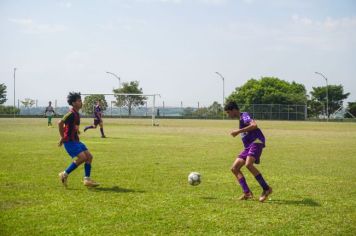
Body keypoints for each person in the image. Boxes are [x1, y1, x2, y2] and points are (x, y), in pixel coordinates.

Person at [224, 101, 272, 202]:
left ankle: (266, 189)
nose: (228, 115)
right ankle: (247, 193)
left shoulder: (244, 115)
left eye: (228, 112)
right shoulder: (241, 120)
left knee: (248, 164)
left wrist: (238, 131)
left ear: (234, 110)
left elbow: (254, 125)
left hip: (256, 141)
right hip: (249, 146)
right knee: (235, 168)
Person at [58, 92, 100, 188]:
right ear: (73, 103)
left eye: (81, 100)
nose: (81, 102)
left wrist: (76, 131)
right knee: (83, 158)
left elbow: (69, 126)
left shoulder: (76, 114)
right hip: (70, 141)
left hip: (76, 140)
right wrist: (62, 137)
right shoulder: (71, 113)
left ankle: (87, 180)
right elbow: (60, 122)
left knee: (89, 157)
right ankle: (64, 174)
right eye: (79, 101)